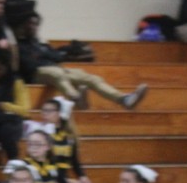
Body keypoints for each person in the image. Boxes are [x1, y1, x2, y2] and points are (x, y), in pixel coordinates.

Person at [13, 11, 147, 110]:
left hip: (56, 70)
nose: (33, 26)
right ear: (22, 25)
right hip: (37, 75)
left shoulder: (40, 44)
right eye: (29, 23)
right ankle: (76, 99)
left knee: (91, 78)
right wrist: (46, 57)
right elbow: (29, 65)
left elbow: (58, 56)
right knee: (57, 72)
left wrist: (45, 56)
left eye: (35, 23)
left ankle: (124, 99)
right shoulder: (18, 45)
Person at [41, 97, 96, 183]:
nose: (45, 114)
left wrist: (83, 177)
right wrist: (67, 180)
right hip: (47, 177)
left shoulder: (69, 136)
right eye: (44, 111)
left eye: (50, 111)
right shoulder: (43, 133)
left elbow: (75, 161)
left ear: (59, 114)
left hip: (62, 177)